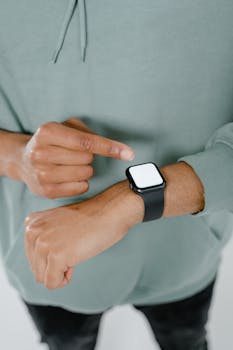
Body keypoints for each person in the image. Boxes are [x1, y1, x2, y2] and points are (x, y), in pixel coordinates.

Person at [0, 1, 233, 349]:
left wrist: (127, 203)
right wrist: (16, 156)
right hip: (46, 254)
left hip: (185, 250)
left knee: (186, 338)